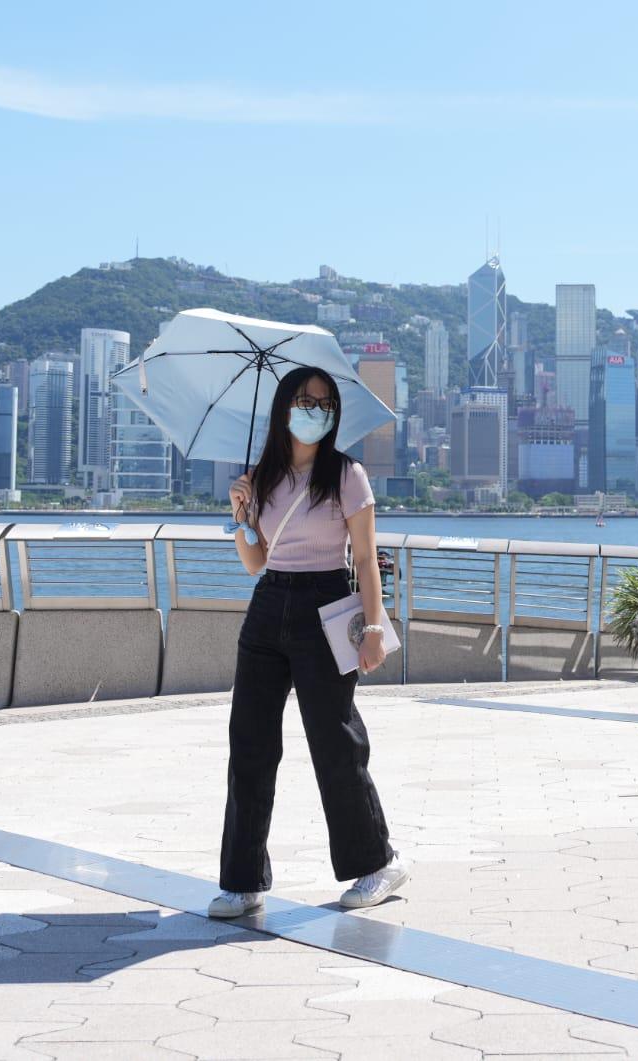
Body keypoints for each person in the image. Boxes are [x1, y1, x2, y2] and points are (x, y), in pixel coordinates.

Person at [207, 366, 408, 918]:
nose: (314, 411)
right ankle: (242, 881)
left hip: (327, 602)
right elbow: (255, 562)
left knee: (335, 741)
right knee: (249, 744)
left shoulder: (346, 474)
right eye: (304, 401)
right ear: (283, 408)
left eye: (324, 404)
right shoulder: (262, 478)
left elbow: (364, 559)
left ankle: (377, 863)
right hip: (269, 604)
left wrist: (373, 628)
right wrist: (240, 515)